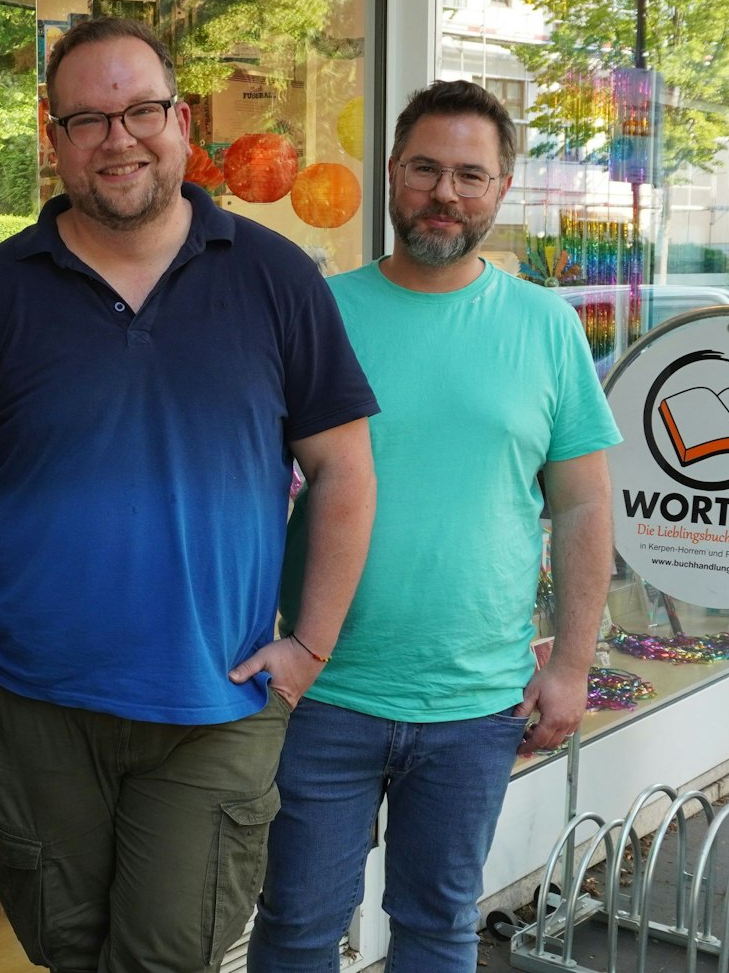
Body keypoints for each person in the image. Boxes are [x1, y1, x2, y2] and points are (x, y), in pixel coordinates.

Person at [0, 16, 379, 973]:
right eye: (89, 118)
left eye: (142, 109)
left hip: (214, 701)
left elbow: (346, 469)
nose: (120, 138)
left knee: (166, 957)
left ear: (182, 121)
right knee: (67, 947)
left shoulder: (274, 276)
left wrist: (308, 646)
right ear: (53, 136)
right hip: (31, 701)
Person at [247, 80, 620, 973]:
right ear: (391, 173)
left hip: (477, 701)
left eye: (469, 174)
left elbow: (582, 504)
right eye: (425, 169)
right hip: (322, 687)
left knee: (439, 924)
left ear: (500, 188)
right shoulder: (318, 309)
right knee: (297, 924)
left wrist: (571, 663)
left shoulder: (545, 326)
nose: (444, 193)